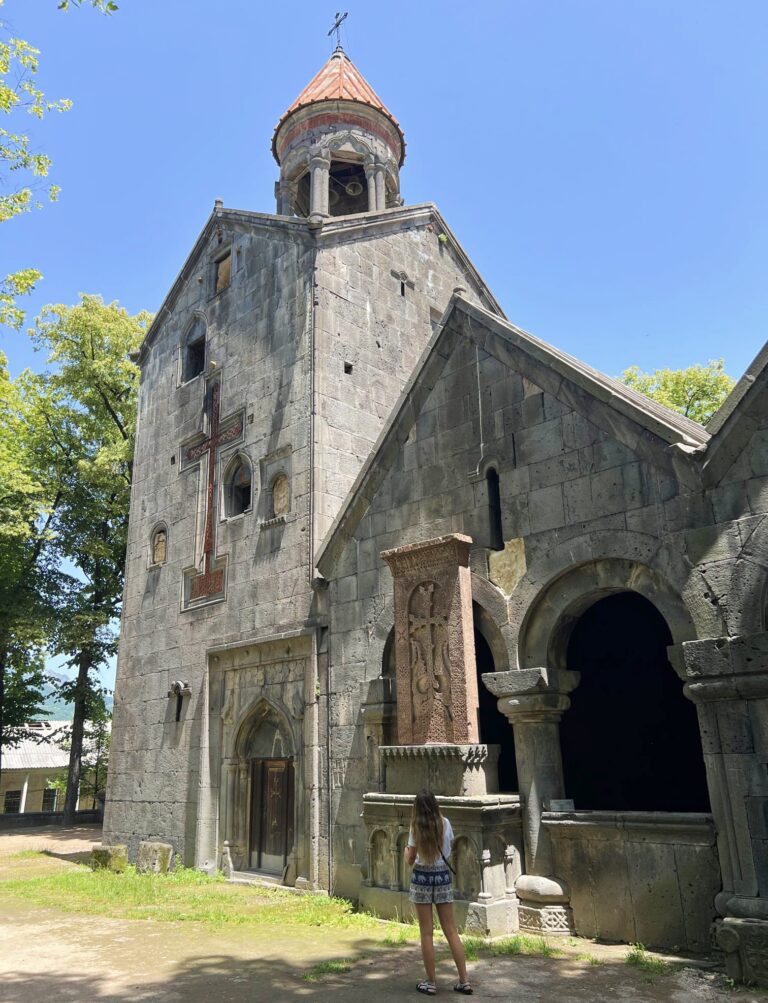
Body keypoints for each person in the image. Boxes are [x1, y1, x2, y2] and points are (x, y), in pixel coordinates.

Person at [405, 789, 473, 995]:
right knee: (451, 930)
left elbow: (410, 859)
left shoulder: (415, 827)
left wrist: (408, 852)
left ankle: (431, 981)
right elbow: (448, 850)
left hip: (422, 879)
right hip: (442, 877)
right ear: (435, 805)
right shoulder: (446, 823)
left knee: (426, 932)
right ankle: (464, 980)